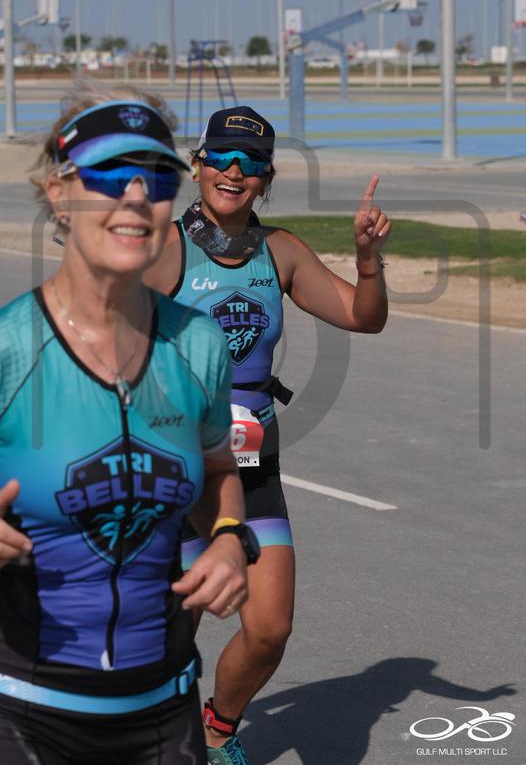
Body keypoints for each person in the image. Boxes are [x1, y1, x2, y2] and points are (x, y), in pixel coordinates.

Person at [0, 88, 260, 765]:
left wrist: (229, 538)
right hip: (24, 715)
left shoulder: (199, 344)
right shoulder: (9, 348)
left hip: (165, 716)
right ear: (59, 194)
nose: (138, 197)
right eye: (112, 174)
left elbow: (219, 470)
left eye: (158, 178)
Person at [144, 104, 391, 765]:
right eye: (221, 157)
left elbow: (362, 317)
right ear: (197, 165)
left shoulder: (279, 252)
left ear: (267, 178)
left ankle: (216, 734)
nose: (234, 171)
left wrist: (369, 262)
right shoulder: (166, 250)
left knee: (270, 628)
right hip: (172, 468)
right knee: (167, 638)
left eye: (251, 162)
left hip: (252, 466)